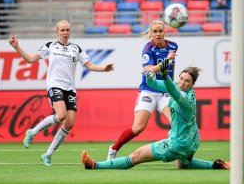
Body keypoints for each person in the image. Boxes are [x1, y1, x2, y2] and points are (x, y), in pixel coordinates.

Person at [81, 62, 230, 170]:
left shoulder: (186, 99)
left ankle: (95, 165)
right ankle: (216, 165)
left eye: (187, 81)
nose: (183, 83)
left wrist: (165, 75)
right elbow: (153, 84)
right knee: (182, 164)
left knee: (136, 155)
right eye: (181, 79)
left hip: (179, 143)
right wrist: (150, 75)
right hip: (192, 142)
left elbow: (173, 90)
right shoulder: (179, 88)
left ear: (193, 85)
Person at [8, 19, 114, 166]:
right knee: (61, 115)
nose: (65, 33)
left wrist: (104, 68)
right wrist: (17, 47)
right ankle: (32, 132)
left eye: (67, 30)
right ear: (56, 32)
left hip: (70, 89)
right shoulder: (50, 46)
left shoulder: (76, 48)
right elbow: (31, 59)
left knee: (69, 123)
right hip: (54, 85)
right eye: (62, 30)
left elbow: (88, 65)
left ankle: (47, 155)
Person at [106, 19, 177, 160]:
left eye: (160, 31)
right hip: (149, 90)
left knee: (175, 123)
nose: (157, 34)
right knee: (137, 128)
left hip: (165, 91)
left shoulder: (173, 46)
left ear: (165, 32)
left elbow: (171, 69)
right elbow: (148, 71)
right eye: (155, 31)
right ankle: (114, 148)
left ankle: (177, 152)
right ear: (151, 33)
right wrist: (166, 62)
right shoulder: (148, 49)